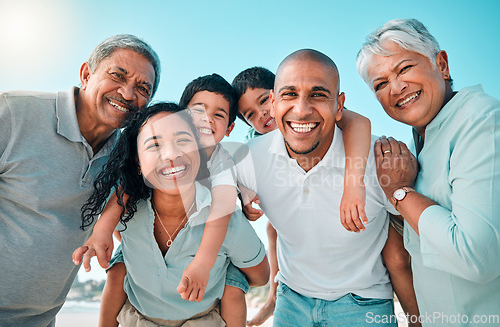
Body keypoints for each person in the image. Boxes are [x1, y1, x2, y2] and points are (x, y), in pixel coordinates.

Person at [0, 34, 160, 327]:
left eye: (142, 88)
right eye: (117, 75)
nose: (127, 93)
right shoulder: (12, 112)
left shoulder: (128, 154)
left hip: (42, 320)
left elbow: (127, 200)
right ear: (86, 74)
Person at [234, 49, 398, 326]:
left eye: (318, 94)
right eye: (289, 94)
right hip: (292, 299)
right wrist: (241, 194)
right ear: (276, 101)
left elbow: (411, 247)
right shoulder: (249, 156)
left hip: (363, 302)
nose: (301, 109)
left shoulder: (380, 157)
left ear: (339, 105)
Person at [74, 74, 249, 326]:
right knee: (117, 271)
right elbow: (126, 189)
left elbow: (221, 212)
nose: (206, 119)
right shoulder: (167, 151)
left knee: (234, 285)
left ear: (229, 128)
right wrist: (102, 230)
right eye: (198, 111)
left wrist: (203, 262)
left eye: (218, 115)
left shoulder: (221, 162)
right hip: (153, 243)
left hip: (214, 247)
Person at [357, 18, 500, 326]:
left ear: (442, 64)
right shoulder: (415, 144)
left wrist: (400, 192)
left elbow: (478, 258)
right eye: (380, 84)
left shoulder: (483, 121)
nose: (396, 88)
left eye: (404, 68)